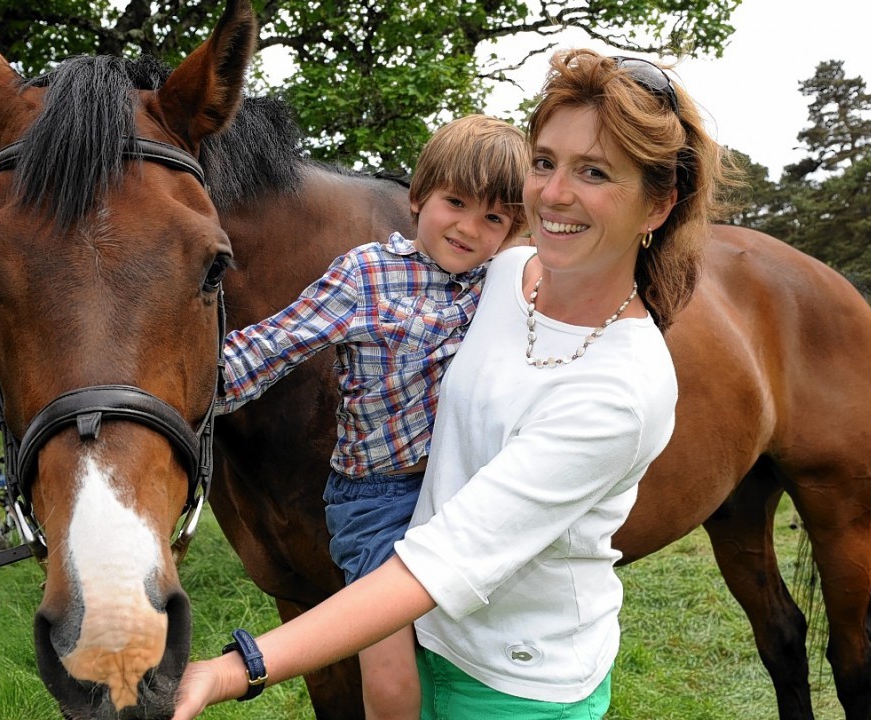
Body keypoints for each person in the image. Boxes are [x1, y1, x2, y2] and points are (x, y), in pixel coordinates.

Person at [173, 49, 734, 719]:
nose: (555, 193)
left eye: (594, 172)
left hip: (513, 681)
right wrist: (160, 394)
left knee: (387, 684)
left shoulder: (621, 389)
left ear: (658, 205)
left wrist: (236, 669)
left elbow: (444, 562)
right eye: (546, 162)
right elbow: (276, 343)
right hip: (419, 588)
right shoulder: (499, 276)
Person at [217, 114, 529, 720]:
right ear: (417, 198)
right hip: (378, 496)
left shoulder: (502, 283)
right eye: (455, 203)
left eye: (493, 218)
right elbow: (274, 343)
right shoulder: (367, 274)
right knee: (386, 669)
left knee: (469, 646)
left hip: (463, 488)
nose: (468, 228)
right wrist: (182, 387)